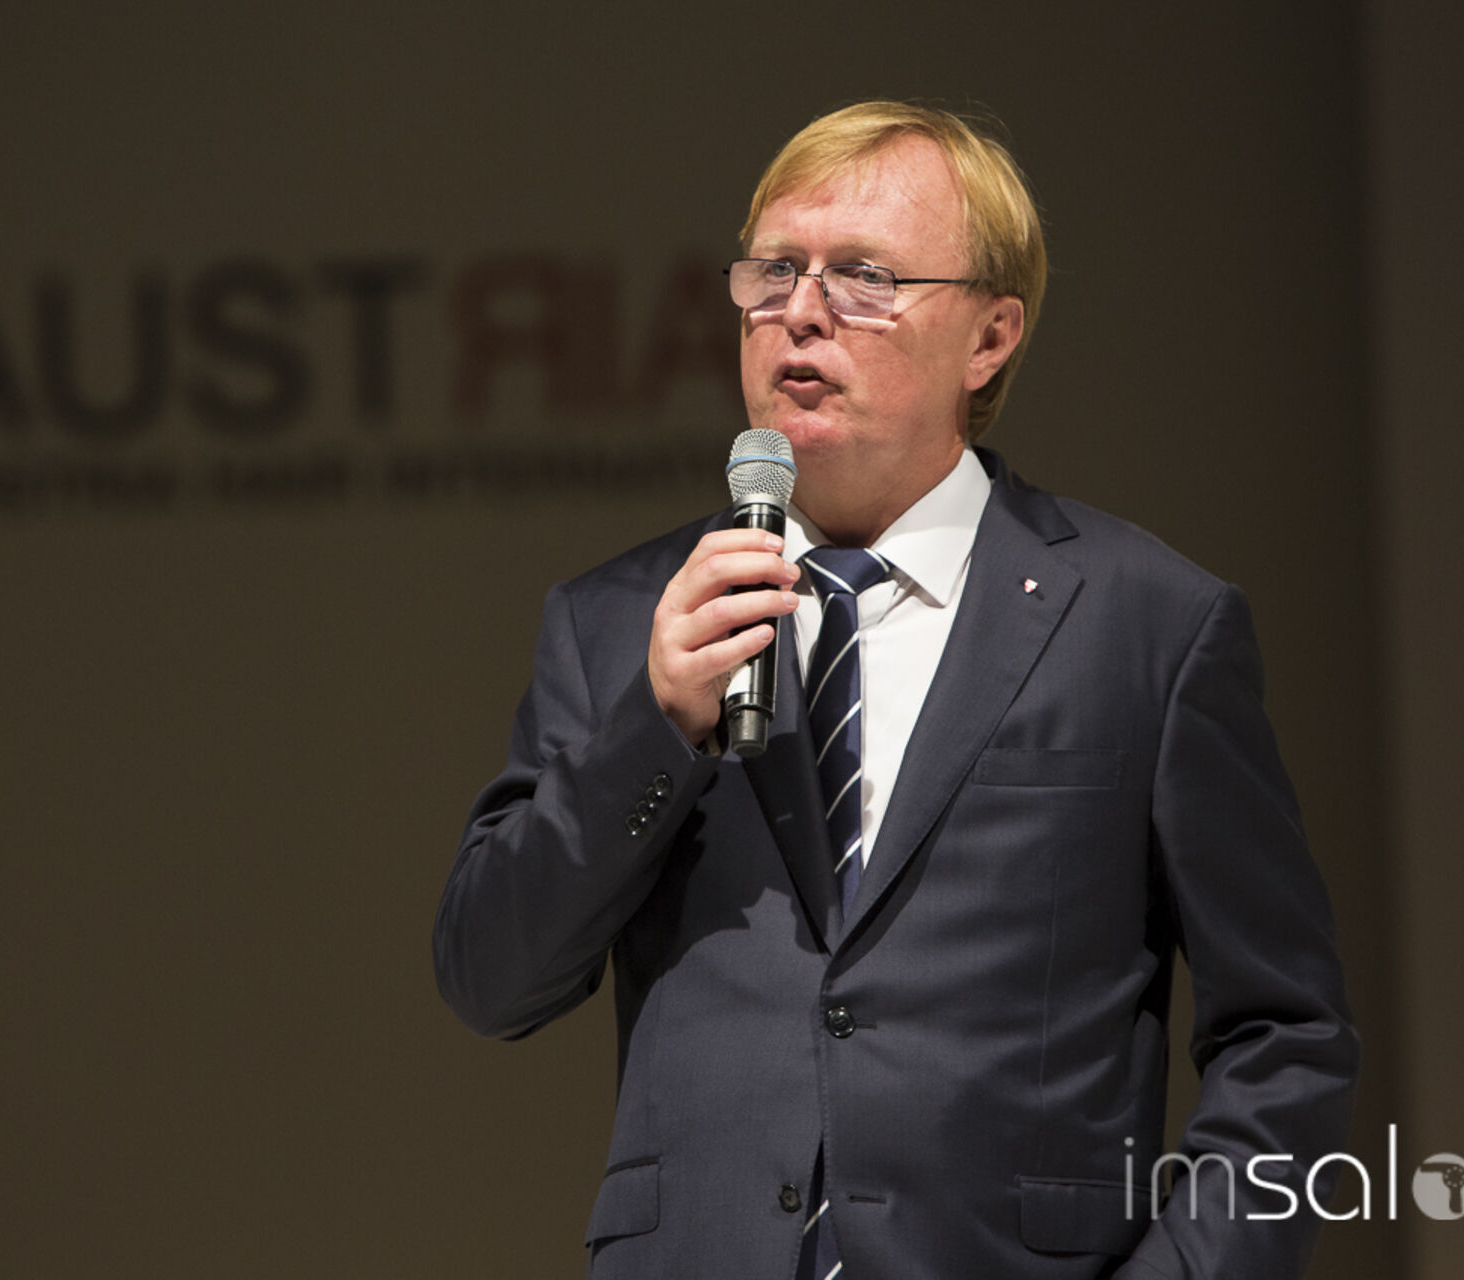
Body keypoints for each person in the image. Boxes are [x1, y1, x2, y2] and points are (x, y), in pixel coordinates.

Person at [434, 100, 1358, 1279]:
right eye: (774, 271)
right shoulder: (624, 620)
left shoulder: (1149, 624)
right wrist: (653, 726)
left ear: (990, 337)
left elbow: (1287, 1035)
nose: (801, 311)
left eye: (865, 277)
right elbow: (492, 977)